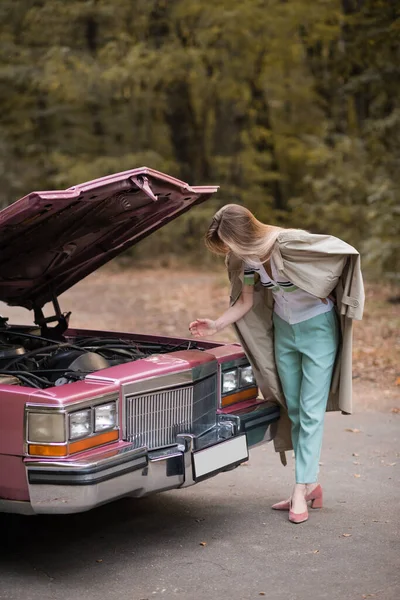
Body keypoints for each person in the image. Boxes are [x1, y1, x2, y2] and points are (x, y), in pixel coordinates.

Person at [189, 204, 364, 524]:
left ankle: (300, 490)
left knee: (310, 411)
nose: (229, 251)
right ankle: (311, 485)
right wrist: (215, 325)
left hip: (318, 332)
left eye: (229, 243)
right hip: (285, 333)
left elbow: (342, 253)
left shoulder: (290, 243)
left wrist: (330, 291)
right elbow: (246, 301)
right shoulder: (248, 260)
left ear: (243, 233)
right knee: (294, 408)